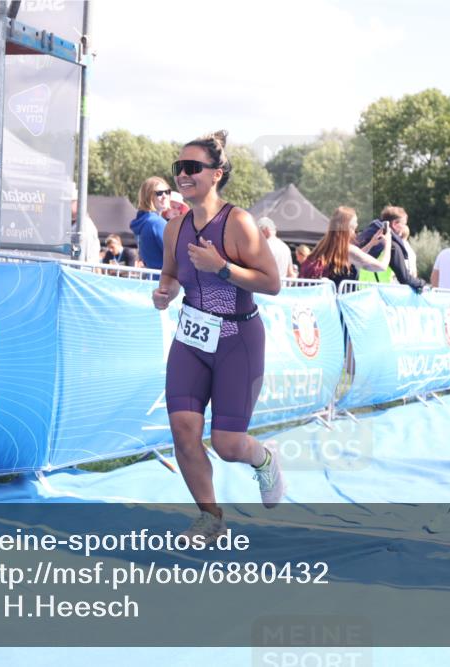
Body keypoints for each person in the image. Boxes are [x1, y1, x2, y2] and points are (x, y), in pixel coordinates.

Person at [152, 130, 283, 540]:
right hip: (191, 338)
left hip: (237, 339)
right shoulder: (175, 228)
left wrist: (222, 267)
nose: (183, 174)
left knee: (227, 444)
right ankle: (211, 518)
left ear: (216, 174)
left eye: (193, 167)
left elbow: (272, 283)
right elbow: (171, 275)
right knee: (183, 432)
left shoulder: (238, 222)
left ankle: (263, 459)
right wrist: (165, 292)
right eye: (179, 167)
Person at [299, 207, 391, 288]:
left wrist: (371, 244)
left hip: (328, 299)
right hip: (343, 299)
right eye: (355, 224)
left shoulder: (325, 245)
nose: (357, 226)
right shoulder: (348, 250)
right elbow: (382, 267)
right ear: (348, 227)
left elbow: (354, 258)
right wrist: (388, 243)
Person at [355, 206, 425, 291]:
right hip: (378, 292)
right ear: (395, 224)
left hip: (359, 290)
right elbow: (405, 278)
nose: (405, 227)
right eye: (404, 224)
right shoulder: (392, 246)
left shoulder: (368, 238)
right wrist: (421, 283)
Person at [130, 177, 171, 269]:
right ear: (148, 197)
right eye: (159, 193)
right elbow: (175, 255)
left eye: (167, 192)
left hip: (152, 275)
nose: (165, 196)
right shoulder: (157, 223)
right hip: (164, 275)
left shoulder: (143, 221)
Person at [70, 188, 101, 264]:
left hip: (82, 268)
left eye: (70, 202)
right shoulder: (76, 224)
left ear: (78, 203)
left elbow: (84, 255)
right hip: (75, 267)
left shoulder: (85, 225)